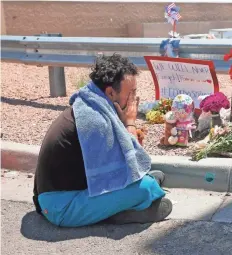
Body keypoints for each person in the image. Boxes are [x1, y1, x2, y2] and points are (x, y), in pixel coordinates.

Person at [33, 53, 172, 227]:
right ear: (110, 92)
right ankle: (117, 213)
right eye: (131, 93)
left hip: (59, 196)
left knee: (146, 181)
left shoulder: (90, 103)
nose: (133, 98)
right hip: (62, 208)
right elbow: (131, 163)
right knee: (147, 188)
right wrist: (130, 123)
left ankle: (117, 208)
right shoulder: (95, 120)